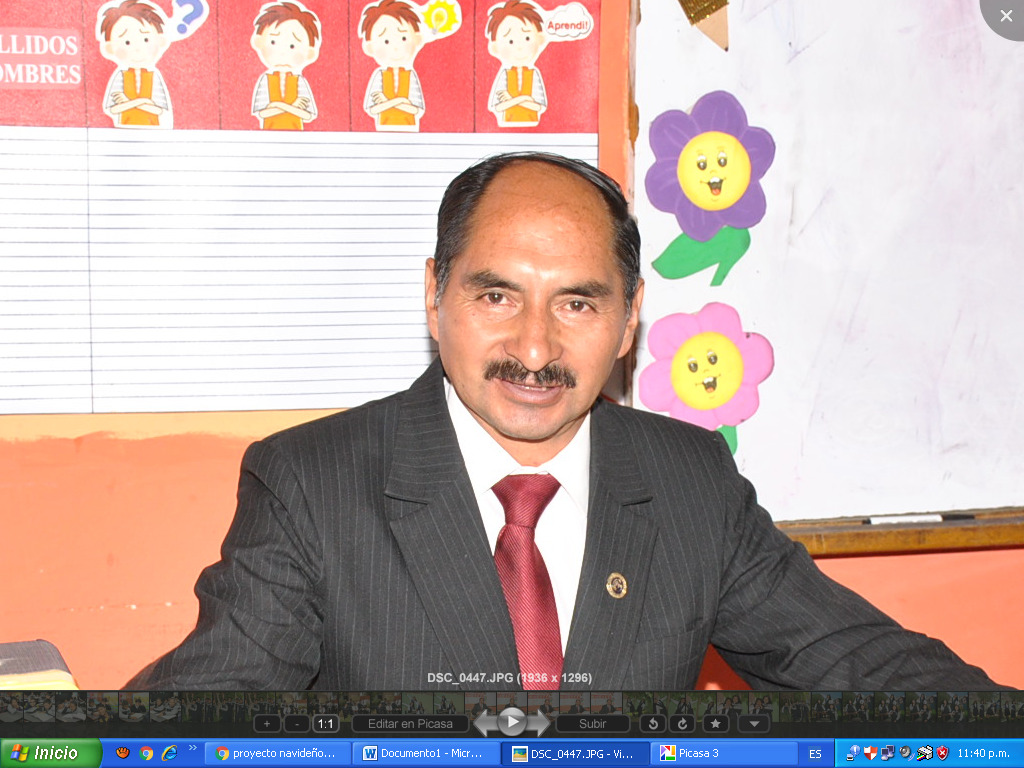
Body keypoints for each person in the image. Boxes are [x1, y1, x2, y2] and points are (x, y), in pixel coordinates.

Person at [127, 152, 1003, 692]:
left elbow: (862, 666)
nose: (535, 348)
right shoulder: (311, 483)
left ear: (629, 321)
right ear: (434, 295)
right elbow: (213, 707)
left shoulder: (690, 480)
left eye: (577, 303)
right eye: (497, 296)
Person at [97, 0, 172, 128]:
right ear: (110, 48)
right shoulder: (120, 76)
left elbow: (159, 110)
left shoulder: (154, 77)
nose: (137, 49)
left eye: (146, 39)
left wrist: (129, 102)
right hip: (123, 132)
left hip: (153, 131)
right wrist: (144, 101)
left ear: (160, 40)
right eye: (127, 43)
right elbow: (113, 109)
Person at [250, 2, 321, 130]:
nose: (282, 52)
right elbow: (263, 113)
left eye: (292, 46)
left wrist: (276, 105)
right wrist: (292, 106)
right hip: (269, 135)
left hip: (297, 136)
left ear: (309, 53)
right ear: (259, 42)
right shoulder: (265, 80)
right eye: (273, 42)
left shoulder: (300, 81)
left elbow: (307, 115)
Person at [360, 0, 426, 131]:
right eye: (386, 41)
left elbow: (415, 109)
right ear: (370, 47)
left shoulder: (410, 75)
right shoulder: (379, 76)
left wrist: (387, 101)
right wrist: (401, 101)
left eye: (403, 38)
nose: (396, 48)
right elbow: (373, 109)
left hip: (410, 131)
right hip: (383, 130)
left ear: (417, 39)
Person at [486, 0, 547, 128]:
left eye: (527, 38)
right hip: (507, 125)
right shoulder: (505, 75)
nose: (519, 47)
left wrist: (511, 99)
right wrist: (525, 99)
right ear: (495, 47)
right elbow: (498, 107)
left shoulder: (534, 74)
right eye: (511, 41)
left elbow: (538, 106)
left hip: (533, 127)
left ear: (540, 39)